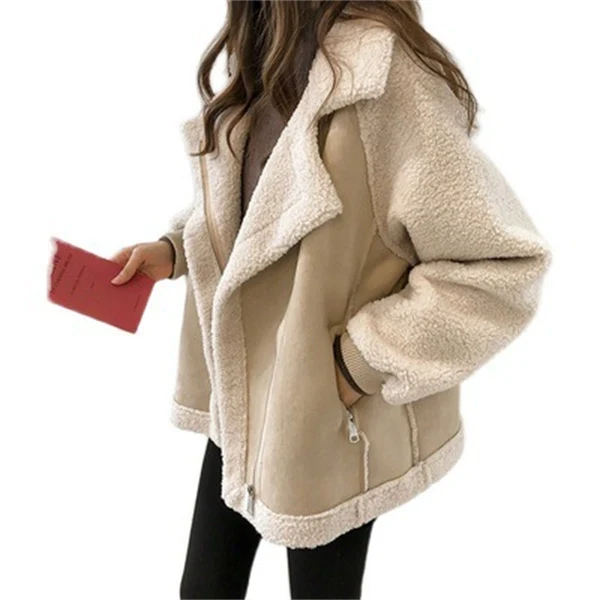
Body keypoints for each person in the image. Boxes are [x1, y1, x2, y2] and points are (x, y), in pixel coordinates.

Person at [110, 1, 553, 598]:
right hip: (246, 393)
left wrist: (356, 365)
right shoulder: (266, 43)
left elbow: (502, 264)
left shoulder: (385, 75)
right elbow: (268, 207)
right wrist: (175, 250)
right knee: (205, 587)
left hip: (326, 413)